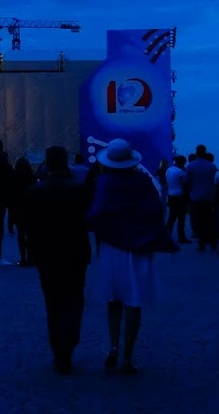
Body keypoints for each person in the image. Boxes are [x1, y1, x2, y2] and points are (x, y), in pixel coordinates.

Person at [88, 139, 177, 374]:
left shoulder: (104, 182)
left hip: (112, 248)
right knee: (134, 302)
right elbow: (156, 211)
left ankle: (113, 347)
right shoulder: (142, 181)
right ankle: (127, 357)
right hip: (138, 247)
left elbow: (96, 214)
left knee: (113, 300)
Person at [24, 145, 94, 373]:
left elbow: (28, 225)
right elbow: (89, 221)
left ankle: (59, 350)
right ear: (66, 162)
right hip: (76, 252)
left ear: (47, 163)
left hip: (47, 254)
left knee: (53, 302)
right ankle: (69, 342)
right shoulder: (80, 190)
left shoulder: (35, 192)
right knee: (74, 299)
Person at [185, 146, 218, 251]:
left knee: (197, 220)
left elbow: (186, 181)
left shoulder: (191, 166)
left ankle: (201, 241)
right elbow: (216, 182)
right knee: (208, 219)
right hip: (209, 197)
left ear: (196, 153)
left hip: (195, 197)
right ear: (205, 153)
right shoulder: (212, 166)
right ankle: (210, 239)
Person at [10, 157, 37, 265]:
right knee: (31, 234)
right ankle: (31, 258)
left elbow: (12, 195)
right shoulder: (32, 176)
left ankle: (23, 259)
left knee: (21, 234)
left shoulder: (14, 177)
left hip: (18, 207)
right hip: (31, 207)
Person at [164, 154, 190, 243]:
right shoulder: (180, 172)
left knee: (172, 217)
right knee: (181, 218)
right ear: (181, 162)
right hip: (180, 197)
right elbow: (185, 184)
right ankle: (181, 237)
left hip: (171, 195)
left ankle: (167, 235)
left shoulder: (169, 170)